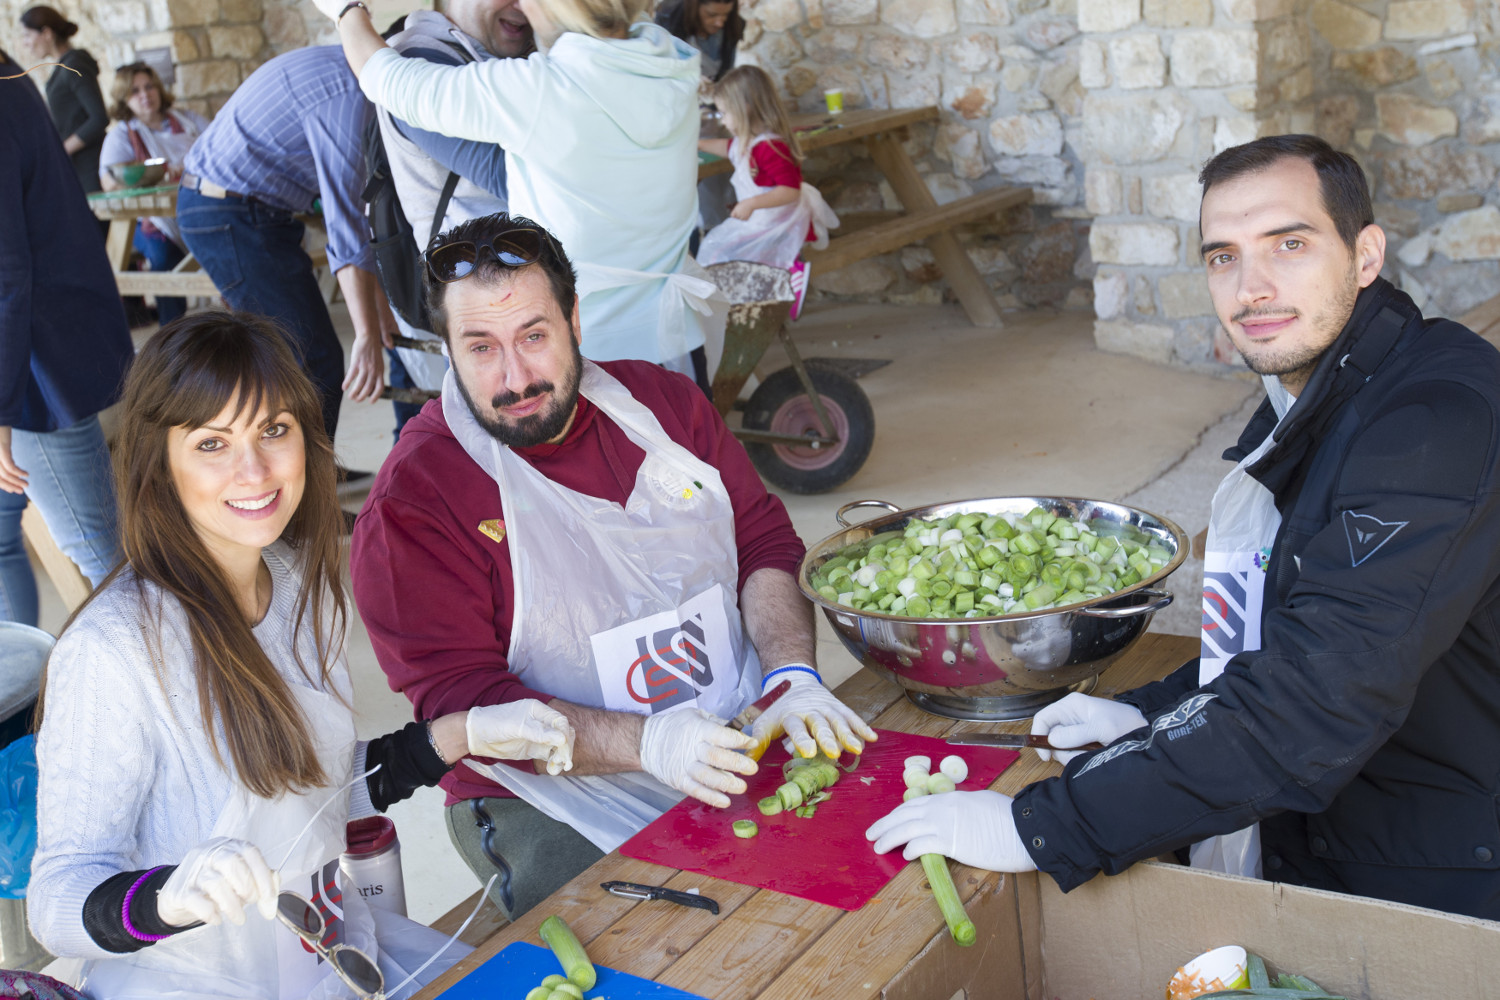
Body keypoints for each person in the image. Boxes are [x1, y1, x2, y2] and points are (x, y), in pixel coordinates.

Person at [865, 134, 1500, 923]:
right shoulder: (1329, 388)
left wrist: (1044, 826)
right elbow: (1298, 624)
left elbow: (1317, 701)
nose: (1252, 287)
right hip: (1353, 816)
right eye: (1223, 257)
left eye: (1289, 244)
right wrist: (1156, 712)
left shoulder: (1432, 427)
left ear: (1365, 254)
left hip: (1432, 880)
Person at [29, 311, 576, 998]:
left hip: (328, 959)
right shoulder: (112, 651)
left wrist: (461, 734)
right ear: (158, 465)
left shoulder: (296, 585)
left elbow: (317, 795)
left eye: (273, 430)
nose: (254, 470)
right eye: (211, 443)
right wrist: (165, 899)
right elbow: (54, 901)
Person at [349, 213, 875, 918]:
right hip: (548, 795)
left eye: (534, 336)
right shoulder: (413, 503)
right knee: (661, 946)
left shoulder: (665, 408)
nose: (514, 378)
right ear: (447, 349)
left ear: (574, 320)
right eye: (480, 348)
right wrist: (649, 741)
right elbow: (464, 703)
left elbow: (762, 541)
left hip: (741, 724)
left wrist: (791, 674)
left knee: (864, 871)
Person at [322, 0, 724, 393]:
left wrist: (345, 10)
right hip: (674, 340)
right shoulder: (670, 61)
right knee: (685, 435)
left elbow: (389, 80)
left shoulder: (539, 88)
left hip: (586, 357)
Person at [177, 45, 389, 457]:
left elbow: (360, 217)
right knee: (308, 359)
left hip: (242, 207)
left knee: (296, 356)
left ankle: (307, 471)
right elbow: (345, 223)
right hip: (228, 210)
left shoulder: (342, 66)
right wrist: (366, 333)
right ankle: (302, 484)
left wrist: (381, 311)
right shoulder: (349, 98)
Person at [0, 47, 130, 626]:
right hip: (40, 351)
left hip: (35, 368)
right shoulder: (10, 74)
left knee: (106, 559)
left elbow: (6, 273)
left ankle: (176, 679)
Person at [372, 1, 530, 436]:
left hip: (522, 299)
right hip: (485, 307)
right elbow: (509, 174)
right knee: (504, 453)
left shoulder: (488, 55)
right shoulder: (422, 60)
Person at [696, 65, 837, 320]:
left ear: (745, 108)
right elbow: (728, 147)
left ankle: (788, 281)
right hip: (763, 216)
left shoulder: (770, 147)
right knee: (725, 252)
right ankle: (756, 300)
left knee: (720, 250)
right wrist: (698, 143)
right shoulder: (747, 142)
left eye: (725, 113)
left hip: (777, 218)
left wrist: (752, 203)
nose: (723, 120)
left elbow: (790, 191)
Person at [99, 62, 209, 327]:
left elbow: (217, 145)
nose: (145, 95)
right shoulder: (122, 136)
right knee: (164, 255)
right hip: (150, 219)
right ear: (124, 99)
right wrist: (153, 176)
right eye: (135, 91)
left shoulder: (188, 120)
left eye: (149, 87)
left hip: (197, 208)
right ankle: (171, 331)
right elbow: (108, 182)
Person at [18, 6, 107, 195]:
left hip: (90, 170)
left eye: (28, 35)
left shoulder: (74, 64)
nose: (26, 43)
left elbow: (99, 118)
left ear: (46, 33)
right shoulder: (63, 66)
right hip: (77, 170)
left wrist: (62, 150)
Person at [654, 0, 741, 83]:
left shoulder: (730, 26)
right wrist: (690, 78)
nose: (720, 23)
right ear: (695, 5)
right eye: (712, 15)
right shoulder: (669, 17)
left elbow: (726, 72)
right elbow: (660, 65)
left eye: (726, 14)